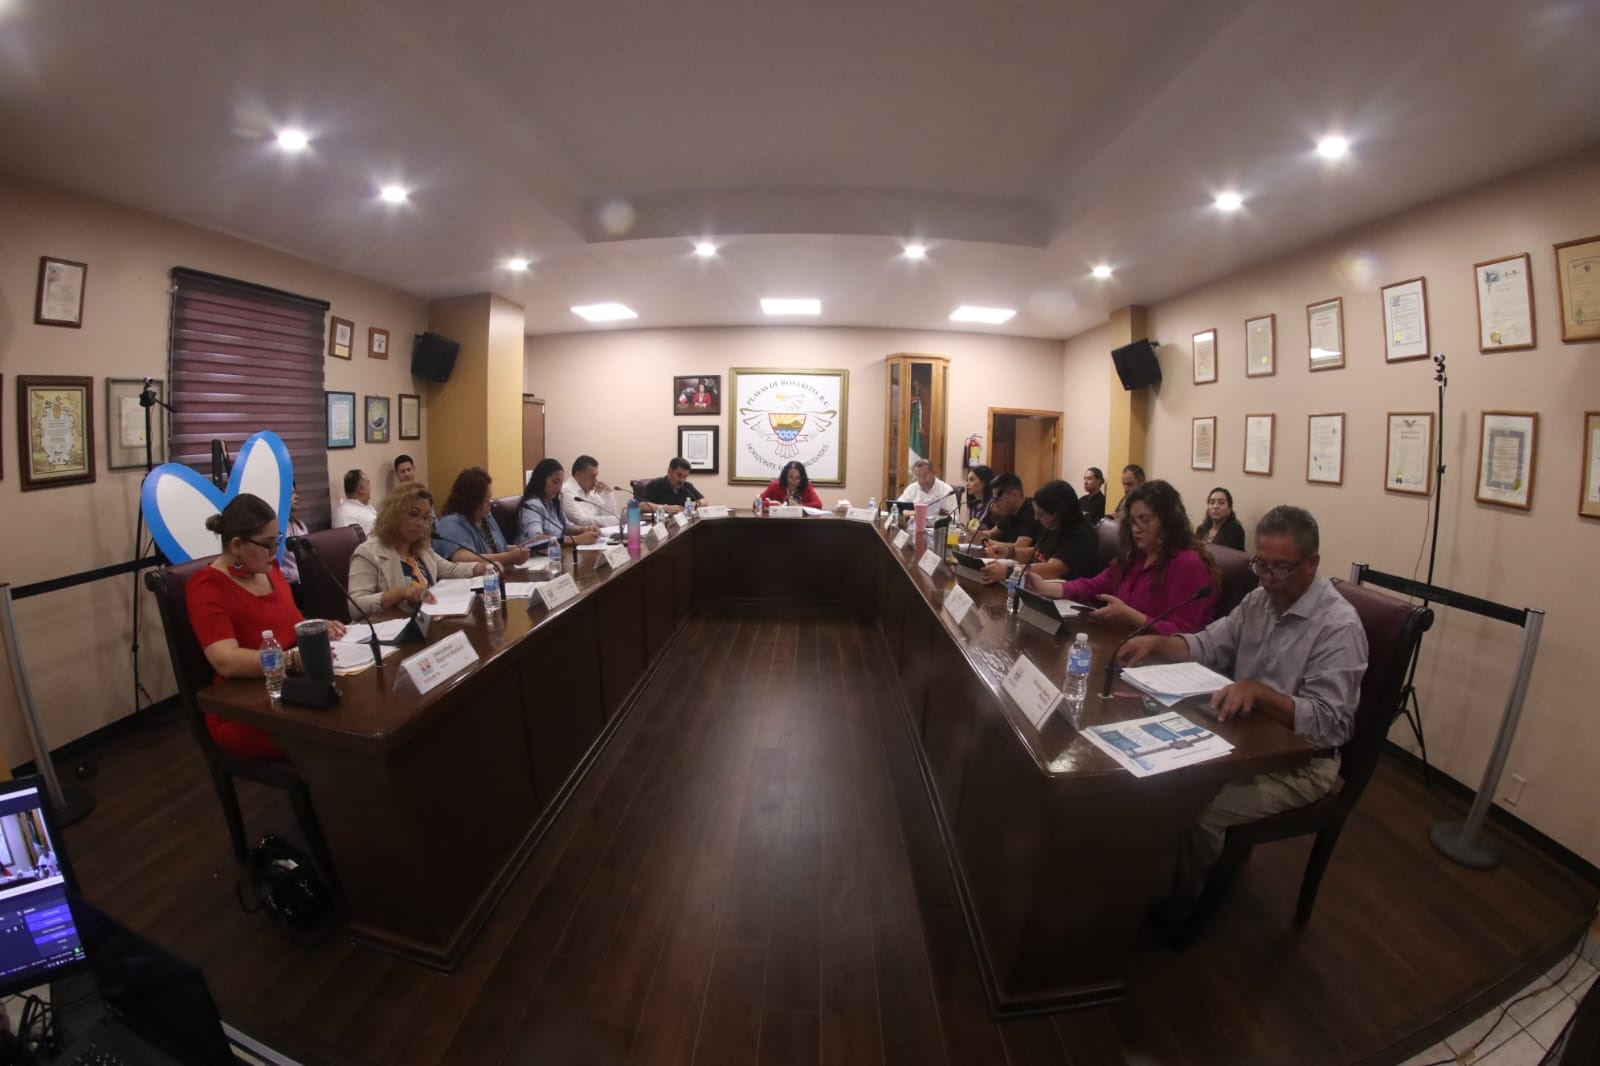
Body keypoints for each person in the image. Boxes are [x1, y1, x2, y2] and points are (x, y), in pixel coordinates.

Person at [1118, 505, 1368, 909]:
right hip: (1245, 737)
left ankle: (1186, 903)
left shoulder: (1339, 627)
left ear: (1312, 563)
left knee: (1201, 811)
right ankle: (1153, 877)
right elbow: (1209, 644)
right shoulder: (1259, 601)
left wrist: (1261, 693)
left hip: (1301, 763)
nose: (1268, 578)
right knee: (1162, 779)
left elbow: (1331, 723)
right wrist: (1157, 642)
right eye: (1261, 565)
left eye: (1280, 568)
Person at [187, 494, 345, 761]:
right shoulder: (207, 587)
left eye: (277, 540)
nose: (275, 552)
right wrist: (292, 660)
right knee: (341, 730)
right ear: (237, 545)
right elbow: (226, 661)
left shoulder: (268, 570)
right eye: (267, 544)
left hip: (294, 686)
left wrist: (314, 628)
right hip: (245, 706)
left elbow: (289, 622)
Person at [1029, 479, 1218, 634]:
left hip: (1158, 661)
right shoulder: (1136, 554)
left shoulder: (1188, 563)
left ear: (1168, 520)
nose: (1136, 529)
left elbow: (1184, 635)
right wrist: (1045, 587)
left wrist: (1131, 617)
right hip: (1122, 642)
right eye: (1133, 521)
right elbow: (1095, 585)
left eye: (1144, 520)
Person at [348, 483, 486, 615]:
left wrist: (481, 568)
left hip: (426, 623)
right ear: (394, 515)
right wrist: (401, 593)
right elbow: (355, 607)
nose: (421, 523)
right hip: (391, 627)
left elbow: (450, 569)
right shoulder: (368, 553)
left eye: (426, 517)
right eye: (414, 514)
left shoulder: (421, 549)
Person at [985, 479, 1096, 582]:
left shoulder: (1080, 534)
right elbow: (1038, 553)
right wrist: (1010, 552)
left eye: (1041, 514)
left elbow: (1053, 568)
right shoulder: (1054, 525)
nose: (1036, 518)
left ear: (1058, 514)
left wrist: (1009, 572)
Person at [433, 467, 532, 568]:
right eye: (485, 500)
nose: (489, 505)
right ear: (470, 500)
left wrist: (515, 549)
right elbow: (463, 559)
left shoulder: (485, 516)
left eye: (489, 499)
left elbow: (493, 549)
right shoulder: (450, 524)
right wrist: (509, 557)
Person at [520, 458, 600, 545]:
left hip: (556, 550)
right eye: (555, 482)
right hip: (535, 552)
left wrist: (585, 529)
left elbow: (567, 526)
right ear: (541, 480)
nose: (558, 487)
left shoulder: (551, 502)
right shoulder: (531, 506)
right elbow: (536, 538)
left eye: (561, 483)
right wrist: (575, 539)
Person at [971, 473, 1038, 549]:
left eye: (999, 500)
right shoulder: (1010, 510)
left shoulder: (1031, 510)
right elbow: (993, 533)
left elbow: (1020, 546)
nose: (996, 504)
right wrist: (973, 534)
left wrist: (985, 541)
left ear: (1014, 494)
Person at [561, 454, 621, 526]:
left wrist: (608, 494)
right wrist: (619, 519)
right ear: (578, 475)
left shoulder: (591, 491)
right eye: (592, 476)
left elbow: (609, 515)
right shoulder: (566, 491)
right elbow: (580, 521)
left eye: (596, 476)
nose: (596, 480)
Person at [641, 457, 705, 515]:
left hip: (685, 522)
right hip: (663, 522)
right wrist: (666, 508)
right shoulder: (655, 485)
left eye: (685, 476)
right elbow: (642, 506)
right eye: (679, 475)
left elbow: (704, 501)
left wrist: (695, 505)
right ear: (669, 471)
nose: (682, 480)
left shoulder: (687, 486)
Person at [279, 483, 309, 588]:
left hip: (306, 583)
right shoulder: (273, 530)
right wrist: (295, 574)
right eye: (292, 493)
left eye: (296, 492)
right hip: (286, 585)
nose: (297, 496)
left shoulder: (300, 525)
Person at [332, 469, 377, 534]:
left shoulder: (363, 505)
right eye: (368, 483)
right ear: (361, 489)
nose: (370, 487)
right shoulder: (345, 514)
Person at [963, 465, 995, 530]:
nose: (967, 484)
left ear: (984, 482)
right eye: (967, 480)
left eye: (971, 480)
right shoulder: (973, 504)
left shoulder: (993, 505)